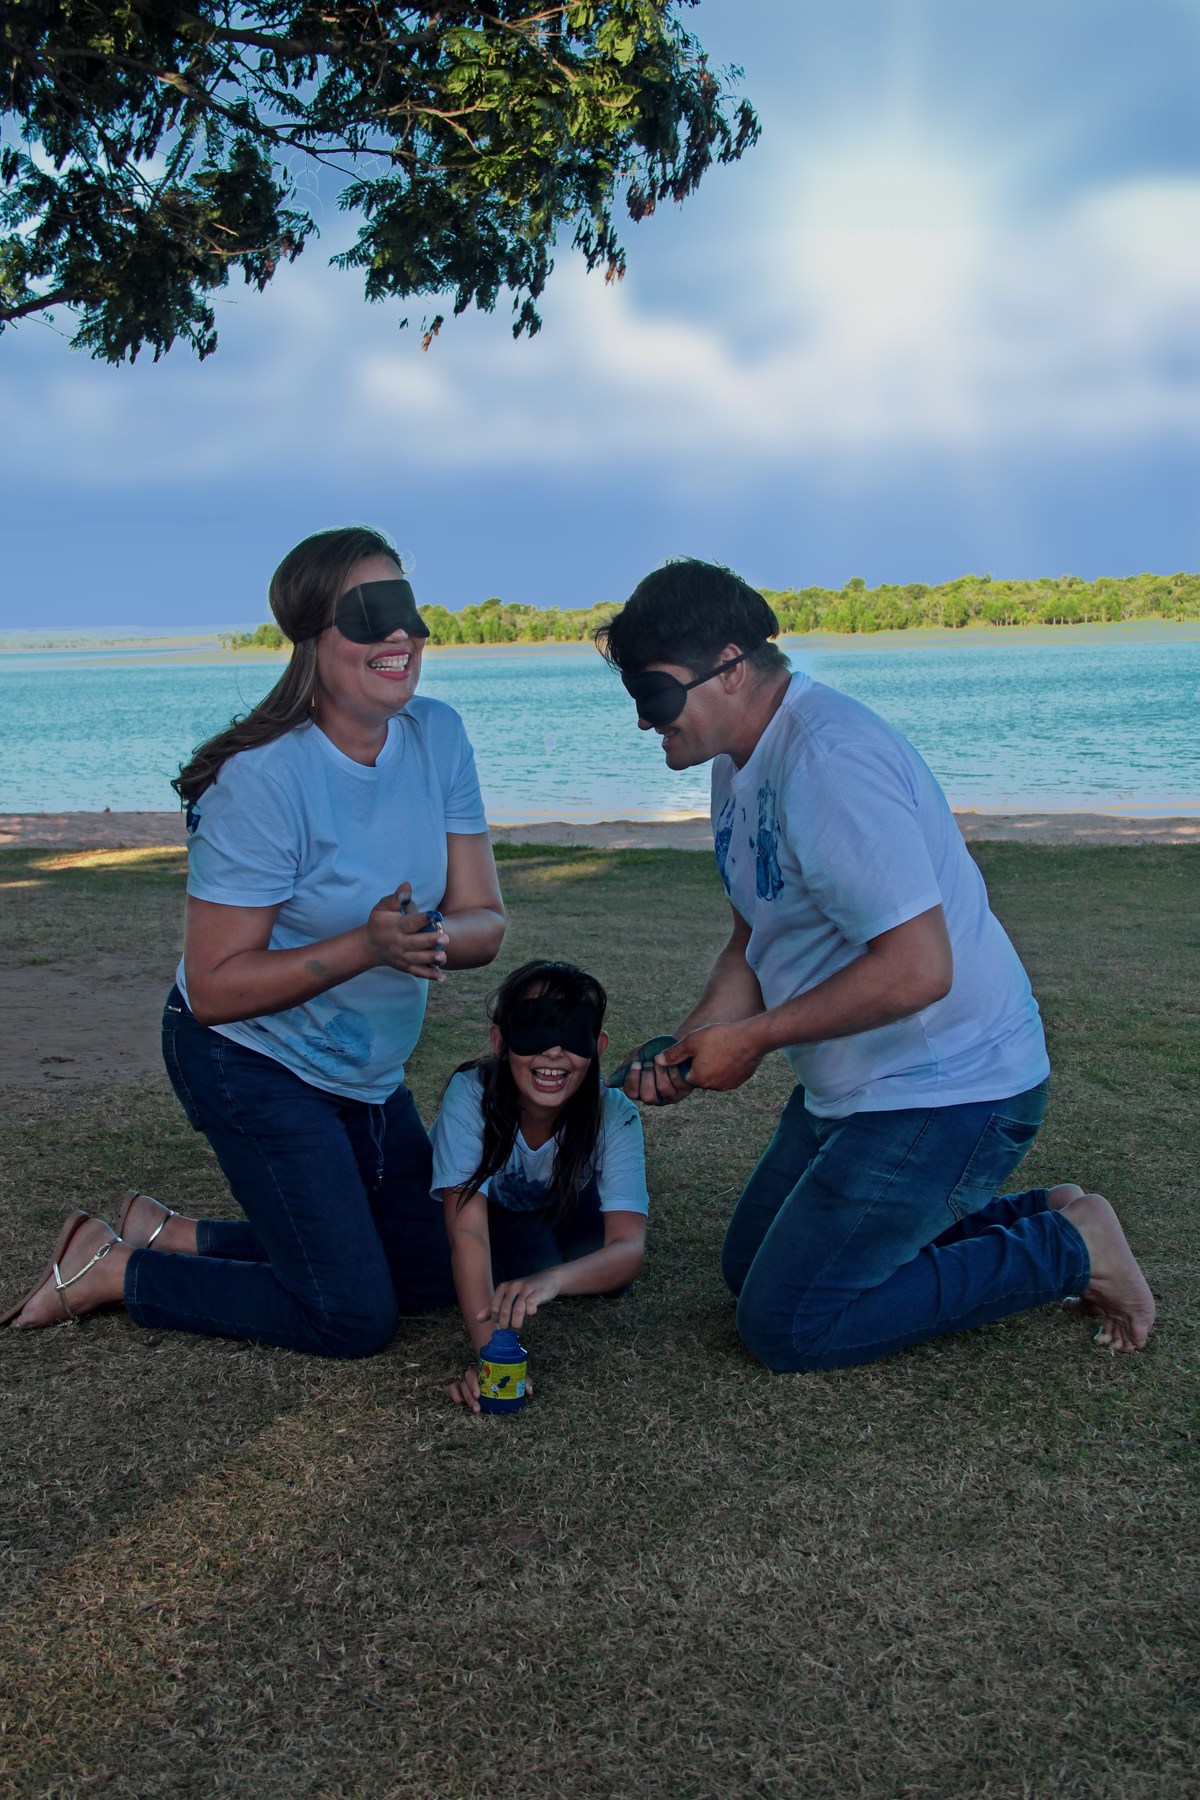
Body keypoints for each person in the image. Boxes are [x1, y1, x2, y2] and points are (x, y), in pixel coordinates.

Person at [597, 558, 1155, 1372]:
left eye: (654, 694)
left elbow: (920, 970)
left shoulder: (828, 761)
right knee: (748, 1266)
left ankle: (1069, 1251)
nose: (646, 721)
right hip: (858, 1090)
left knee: (788, 1324)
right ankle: (1053, 1213)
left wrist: (751, 1040)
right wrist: (697, 1037)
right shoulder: (738, 761)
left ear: (729, 665)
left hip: (955, 1086)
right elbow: (753, 935)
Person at [3, 526, 506, 1356]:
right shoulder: (264, 778)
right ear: (312, 636)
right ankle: (114, 1270)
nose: (401, 635)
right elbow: (214, 989)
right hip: (248, 1058)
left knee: (427, 1276)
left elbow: (485, 916)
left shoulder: (438, 735)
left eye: (408, 613)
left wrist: (432, 936)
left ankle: (172, 1232)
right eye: (369, 616)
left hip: (366, 1072)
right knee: (351, 1316)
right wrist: (367, 947)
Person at [432, 960, 648, 1410]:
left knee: (594, 1269)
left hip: (558, 1204)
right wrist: (492, 1358)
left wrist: (552, 1282)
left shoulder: (616, 1113)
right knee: (520, 1258)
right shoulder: (470, 1095)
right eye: (534, 1031)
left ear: (598, 1047)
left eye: (572, 1034)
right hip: (489, 1211)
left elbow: (628, 1248)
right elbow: (467, 1231)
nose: (553, 1052)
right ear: (500, 1041)